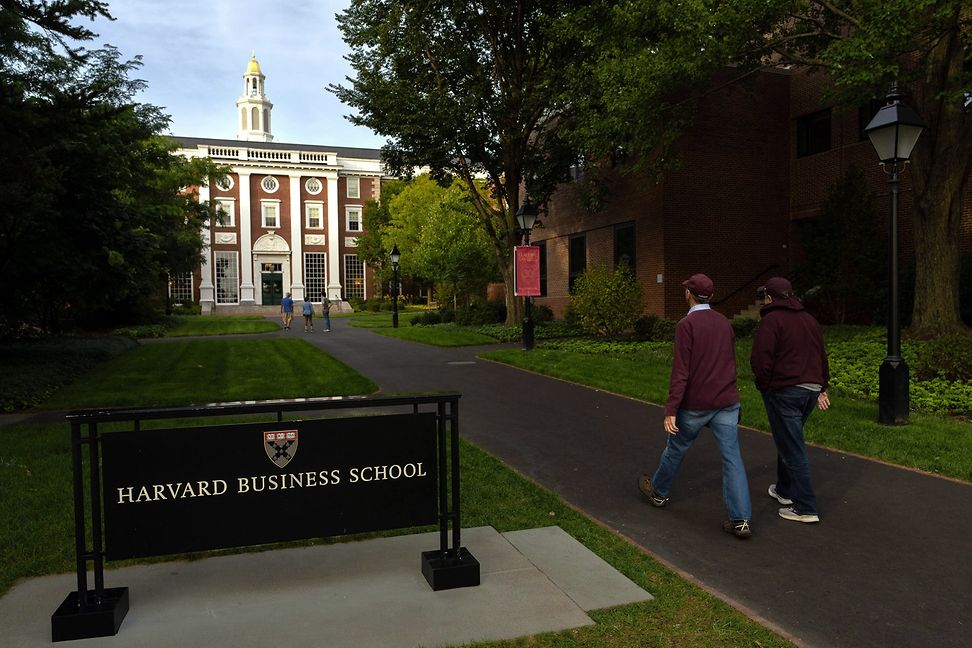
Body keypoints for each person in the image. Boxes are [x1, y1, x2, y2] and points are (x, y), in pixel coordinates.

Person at [639, 273, 753, 538]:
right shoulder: (724, 323)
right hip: (726, 402)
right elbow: (730, 364)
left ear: (689, 294)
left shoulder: (686, 326)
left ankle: (658, 492)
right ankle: (741, 519)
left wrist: (671, 409)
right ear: (710, 296)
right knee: (732, 458)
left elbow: (681, 372)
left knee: (676, 448)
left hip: (696, 404)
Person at [750, 277, 830, 524]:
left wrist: (764, 386)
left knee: (793, 447)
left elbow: (760, 359)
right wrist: (822, 387)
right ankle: (784, 490)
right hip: (810, 388)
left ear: (770, 298)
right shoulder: (810, 320)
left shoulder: (771, 321)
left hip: (784, 390)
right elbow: (821, 355)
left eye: (764, 297)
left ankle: (805, 506)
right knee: (788, 439)